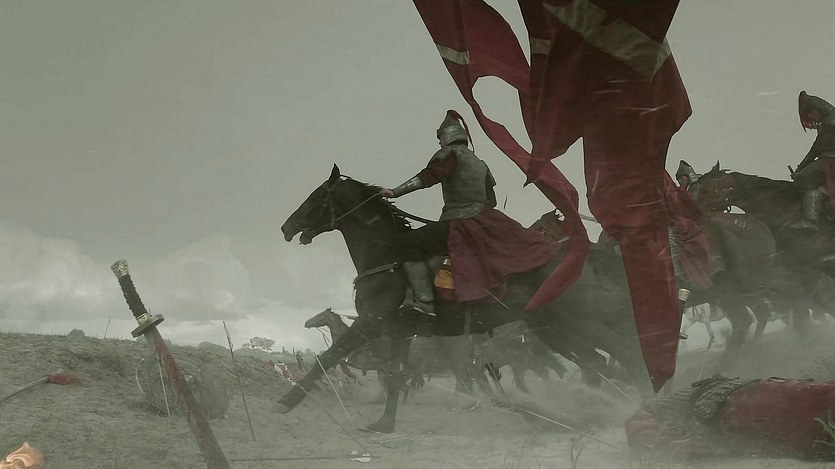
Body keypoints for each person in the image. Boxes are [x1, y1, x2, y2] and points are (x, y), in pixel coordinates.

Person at [381, 110, 560, 316]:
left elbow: (429, 176)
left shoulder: (449, 155)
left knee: (409, 242)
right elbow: (491, 199)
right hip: (486, 218)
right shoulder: (480, 163)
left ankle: (424, 301)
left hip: (460, 221)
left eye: (440, 138)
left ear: (447, 136)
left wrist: (394, 192)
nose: (439, 143)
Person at [790, 91, 835, 231]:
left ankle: (810, 220)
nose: (810, 117)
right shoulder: (830, 120)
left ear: (817, 109)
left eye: (810, 113)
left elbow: (815, 150)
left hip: (830, 161)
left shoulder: (830, 123)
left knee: (801, 180)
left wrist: (800, 169)